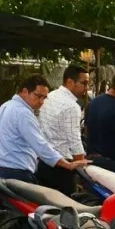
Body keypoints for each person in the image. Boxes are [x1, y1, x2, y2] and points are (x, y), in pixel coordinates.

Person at [0, 74, 89, 192]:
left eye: (44, 98)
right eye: (38, 96)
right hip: (16, 175)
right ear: (25, 91)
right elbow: (41, 146)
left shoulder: (6, 106)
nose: (41, 102)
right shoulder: (23, 113)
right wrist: (68, 165)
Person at [36, 64, 89, 195]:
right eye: (84, 83)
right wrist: (82, 169)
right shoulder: (71, 106)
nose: (86, 88)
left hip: (44, 162)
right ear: (70, 82)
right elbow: (74, 141)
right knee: (66, 210)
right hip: (63, 168)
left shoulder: (50, 96)